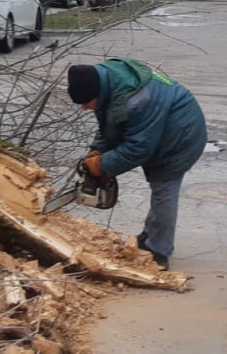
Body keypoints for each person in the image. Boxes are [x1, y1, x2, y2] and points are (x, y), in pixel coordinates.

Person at [66, 59, 207, 270]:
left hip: (181, 136)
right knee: (159, 189)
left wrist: (102, 166)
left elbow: (137, 149)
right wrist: (97, 151)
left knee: (163, 189)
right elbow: (109, 123)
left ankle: (159, 249)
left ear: (97, 92)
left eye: (87, 103)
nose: (85, 108)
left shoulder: (136, 102)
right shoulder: (106, 80)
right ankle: (150, 235)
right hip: (162, 125)